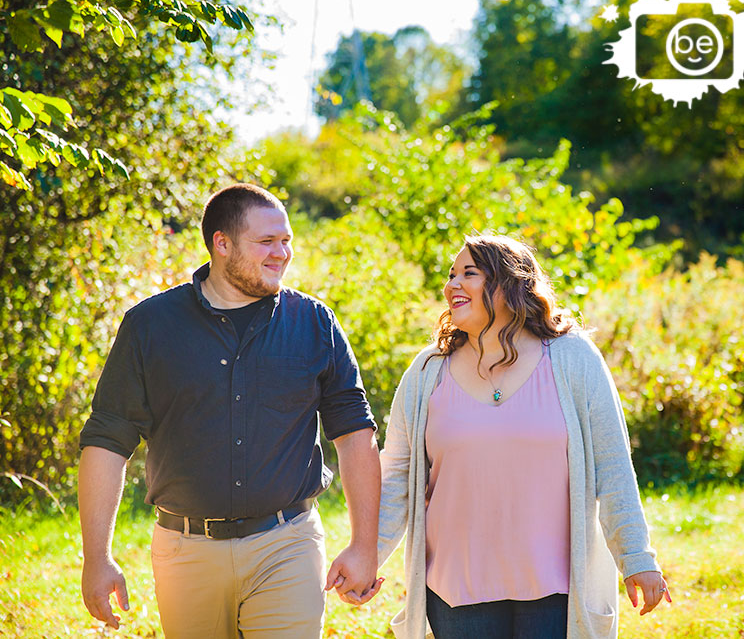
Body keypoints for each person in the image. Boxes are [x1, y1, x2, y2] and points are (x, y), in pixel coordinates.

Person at [78, 183, 383, 638]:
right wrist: (97, 558)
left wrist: (363, 545)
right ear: (222, 243)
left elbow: (356, 432)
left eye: (286, 241)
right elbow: (107, 439)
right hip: (186, 551)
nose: (282, 253)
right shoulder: (150, 325)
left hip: (288, 543)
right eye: (267, 242)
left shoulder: (314, 322)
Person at [374, 234, 670, 639]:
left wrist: (637, 557)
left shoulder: (572, 358)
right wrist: (366, 556)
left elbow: (612, 464)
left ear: (510, 283)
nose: (452, 285)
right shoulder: (427, 372)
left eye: (469, 274)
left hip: (554, 587)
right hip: (456, 587)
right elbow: (395, 476)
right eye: (451, 275)